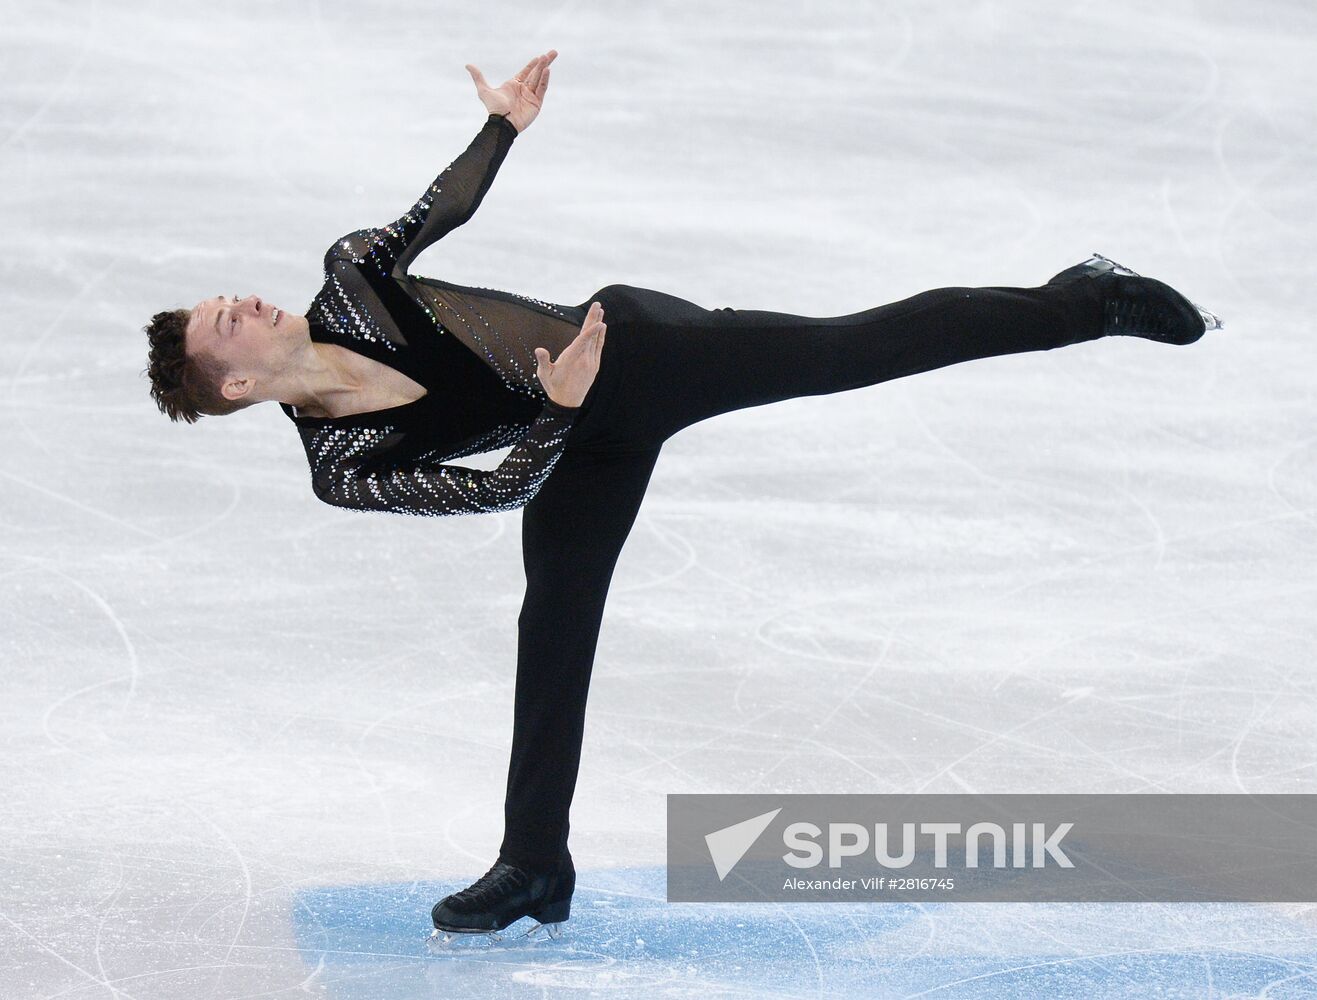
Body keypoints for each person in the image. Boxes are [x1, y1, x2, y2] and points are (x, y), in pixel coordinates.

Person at [142, 50, 1223, 943]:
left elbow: (437, 210)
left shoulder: (351, 279)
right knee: (552, 622)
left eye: (226, 298)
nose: (240, 301)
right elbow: (488, 491)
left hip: (642, 350)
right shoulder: (344, 467)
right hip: (572, 441)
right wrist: (558, 413)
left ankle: (1082, 299)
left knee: (861, 347)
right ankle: (534, 864)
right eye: (224, 322)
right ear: (236, 384)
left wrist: (503, 128)